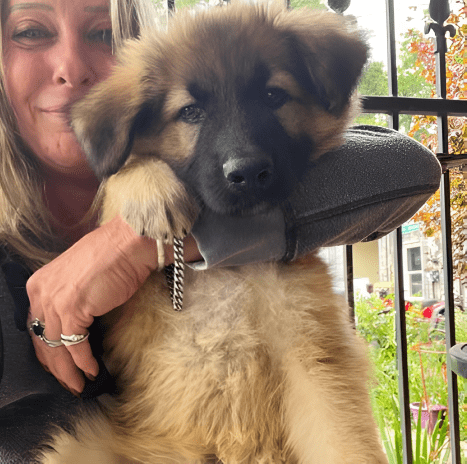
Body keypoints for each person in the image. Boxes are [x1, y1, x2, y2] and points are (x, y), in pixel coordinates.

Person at [0, 0, 440, 425]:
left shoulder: (172, 153)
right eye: (31, 32)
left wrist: (139, 243)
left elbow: (406, 167)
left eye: (101, 33)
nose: (71, 68)